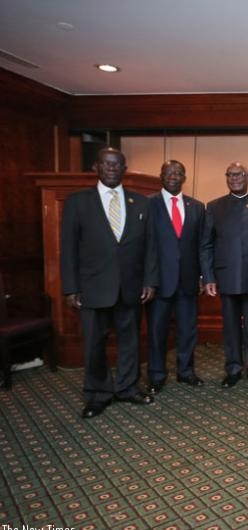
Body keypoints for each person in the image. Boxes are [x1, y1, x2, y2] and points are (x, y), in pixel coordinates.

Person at [60, 147, 158, 418]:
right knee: (93, 343)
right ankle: (97, 393)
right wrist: (71, 288)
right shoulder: (78, 202)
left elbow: (150, 246)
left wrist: (150, 280)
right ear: (96, 168)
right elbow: (68, 248)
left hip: (131, 287)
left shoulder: (140, 203)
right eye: (106, 164)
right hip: (92, 288)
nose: (112, 168)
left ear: (124, 169)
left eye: (117, 165)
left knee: (130, 340)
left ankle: (127, 387)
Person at [203, 162, 248, 388]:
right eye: (230, 175)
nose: (235, 178)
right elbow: (206, 245)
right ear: (227, 178)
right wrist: (208, 277)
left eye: (239, 174)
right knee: (231, 326)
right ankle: (233, 368)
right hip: (226, 278)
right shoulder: (214, 207)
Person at [146, 160, 211, 394]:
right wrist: (148, 280)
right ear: (161, 176)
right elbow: (145, 245)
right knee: (157, 331)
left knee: (187, 330)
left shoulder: (196, 206)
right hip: (158, 282)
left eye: (178, 173)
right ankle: (156, 375)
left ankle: (186, 372)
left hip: (188, 280)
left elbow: (203, 245)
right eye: (168, 172)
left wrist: (203, 276)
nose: (173, 176)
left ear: (184, 178)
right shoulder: (148, 204)